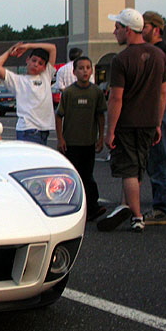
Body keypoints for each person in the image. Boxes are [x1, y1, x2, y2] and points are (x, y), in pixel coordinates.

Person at [97, 8, 166, 232]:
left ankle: (136, 216)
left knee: (128, 169)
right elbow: (162, 93)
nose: (114, 32)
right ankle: (129, 207)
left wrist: (110, 130)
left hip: (128, 122)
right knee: (140, 167)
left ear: (128, 30)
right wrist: (157, 122)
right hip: (149, 121)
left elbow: (116, 98)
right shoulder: (159, 55)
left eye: (117, 27)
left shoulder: (122, 59)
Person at [55, 56, 107, 221]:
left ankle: (93, 207)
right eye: (81, 68)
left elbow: (100, 116)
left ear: (91, 71)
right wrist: (60, 138)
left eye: (87, 68)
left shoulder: (96, 92)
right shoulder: (69, 92)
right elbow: (59, 116)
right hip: (71, 142)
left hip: (88, 142)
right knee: (73, 176)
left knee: (88, 175)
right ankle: (71, 209)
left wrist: (100, 138)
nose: (84, 71)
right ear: (74, 71)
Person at [0, 42, 57, 145]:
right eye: (34, 60)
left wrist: (28, 46)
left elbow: (52, 48)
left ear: (45, 67)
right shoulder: (18, 81)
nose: (36, 64)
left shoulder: (46, 76)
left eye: (40, 63)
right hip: (28, 130)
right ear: (28, 60)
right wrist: (9, 51)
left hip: (43, 130)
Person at [141, 10, 166, 225]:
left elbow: (164, 88)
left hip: (162, 109)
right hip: (160, 108)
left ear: (155, 28)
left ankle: (162, 208)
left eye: (145, 26)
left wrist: (158, 116)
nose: (141, 30)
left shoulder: (161, 52)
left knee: (160, 157)